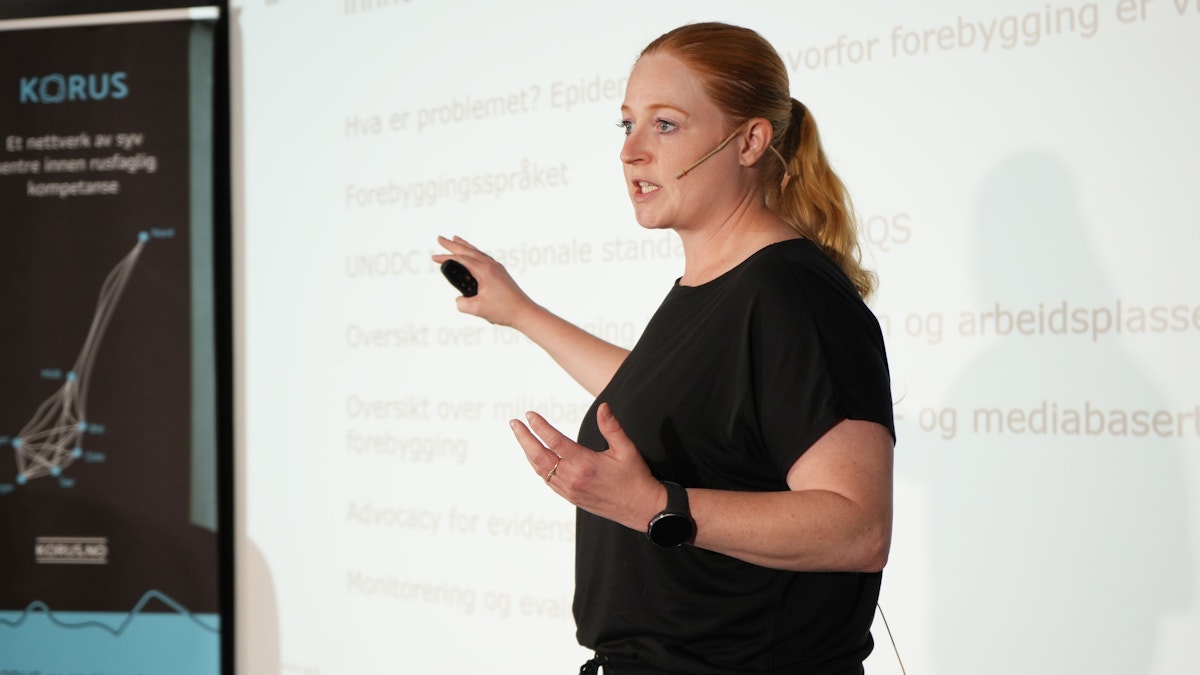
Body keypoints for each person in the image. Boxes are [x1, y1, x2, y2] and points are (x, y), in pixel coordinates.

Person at [433, 22, 895, 675]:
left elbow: (858, 527)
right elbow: (669, 398)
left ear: (750, 141)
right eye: (627, 126)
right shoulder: (717, 286)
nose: (632, 152)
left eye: (666, 125)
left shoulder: (792, 293)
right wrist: (520, 312)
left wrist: (654, 506)